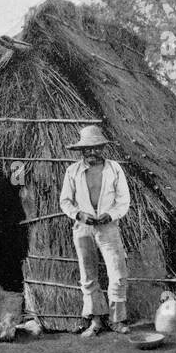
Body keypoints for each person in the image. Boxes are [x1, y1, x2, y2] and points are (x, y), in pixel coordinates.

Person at [59, 124, 131, 336]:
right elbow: (65, 201)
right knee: (88, 275)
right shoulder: (73, 171)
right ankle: (96, 320)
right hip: (83, 229)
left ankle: (117, 320)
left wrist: (111, 214)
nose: (92, 152)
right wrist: (80, 215)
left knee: (117, 273)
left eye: (96, 148)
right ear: (81, 150)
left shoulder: (114, 169)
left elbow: (123, 200)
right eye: (88, 149)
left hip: (108, 228)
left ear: (102, 148)